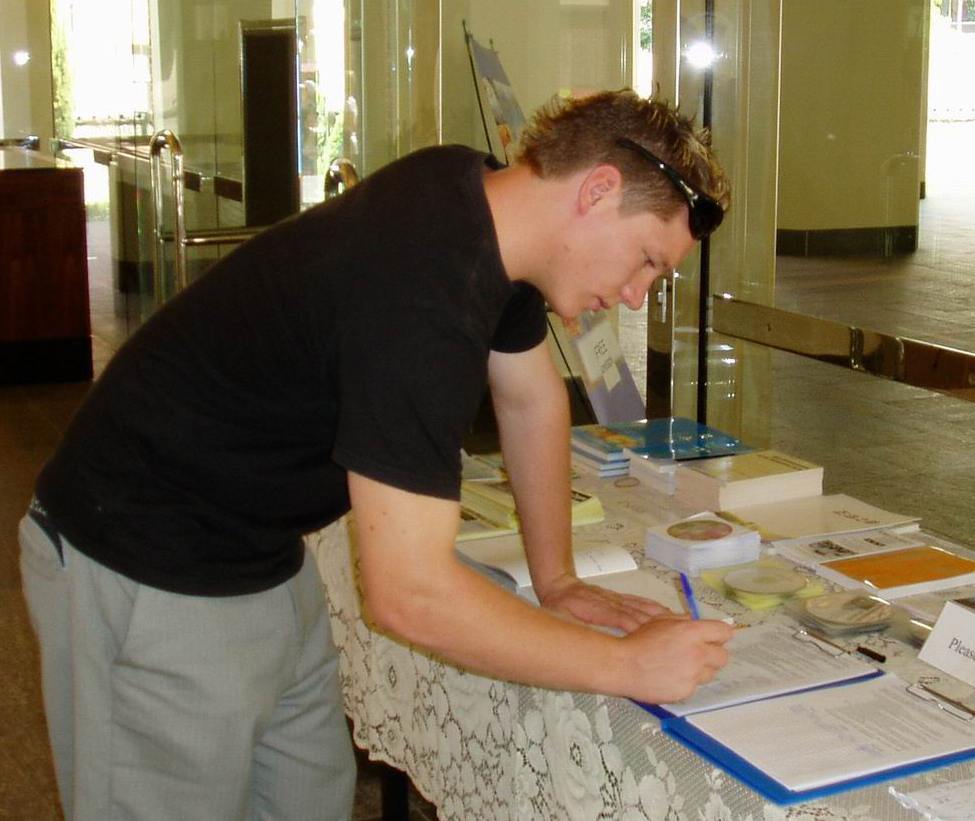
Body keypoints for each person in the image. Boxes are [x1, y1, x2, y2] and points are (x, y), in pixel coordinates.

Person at [19, 89, 735, 821]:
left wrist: (557, 580)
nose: (637, 295)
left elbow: (531, 400)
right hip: (141, 554)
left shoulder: (480, 202)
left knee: (308, 799)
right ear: (597, 190)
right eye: (647, 261)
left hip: (258, 547)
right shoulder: (419, 293)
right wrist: (624, 665)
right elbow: (410, 594)